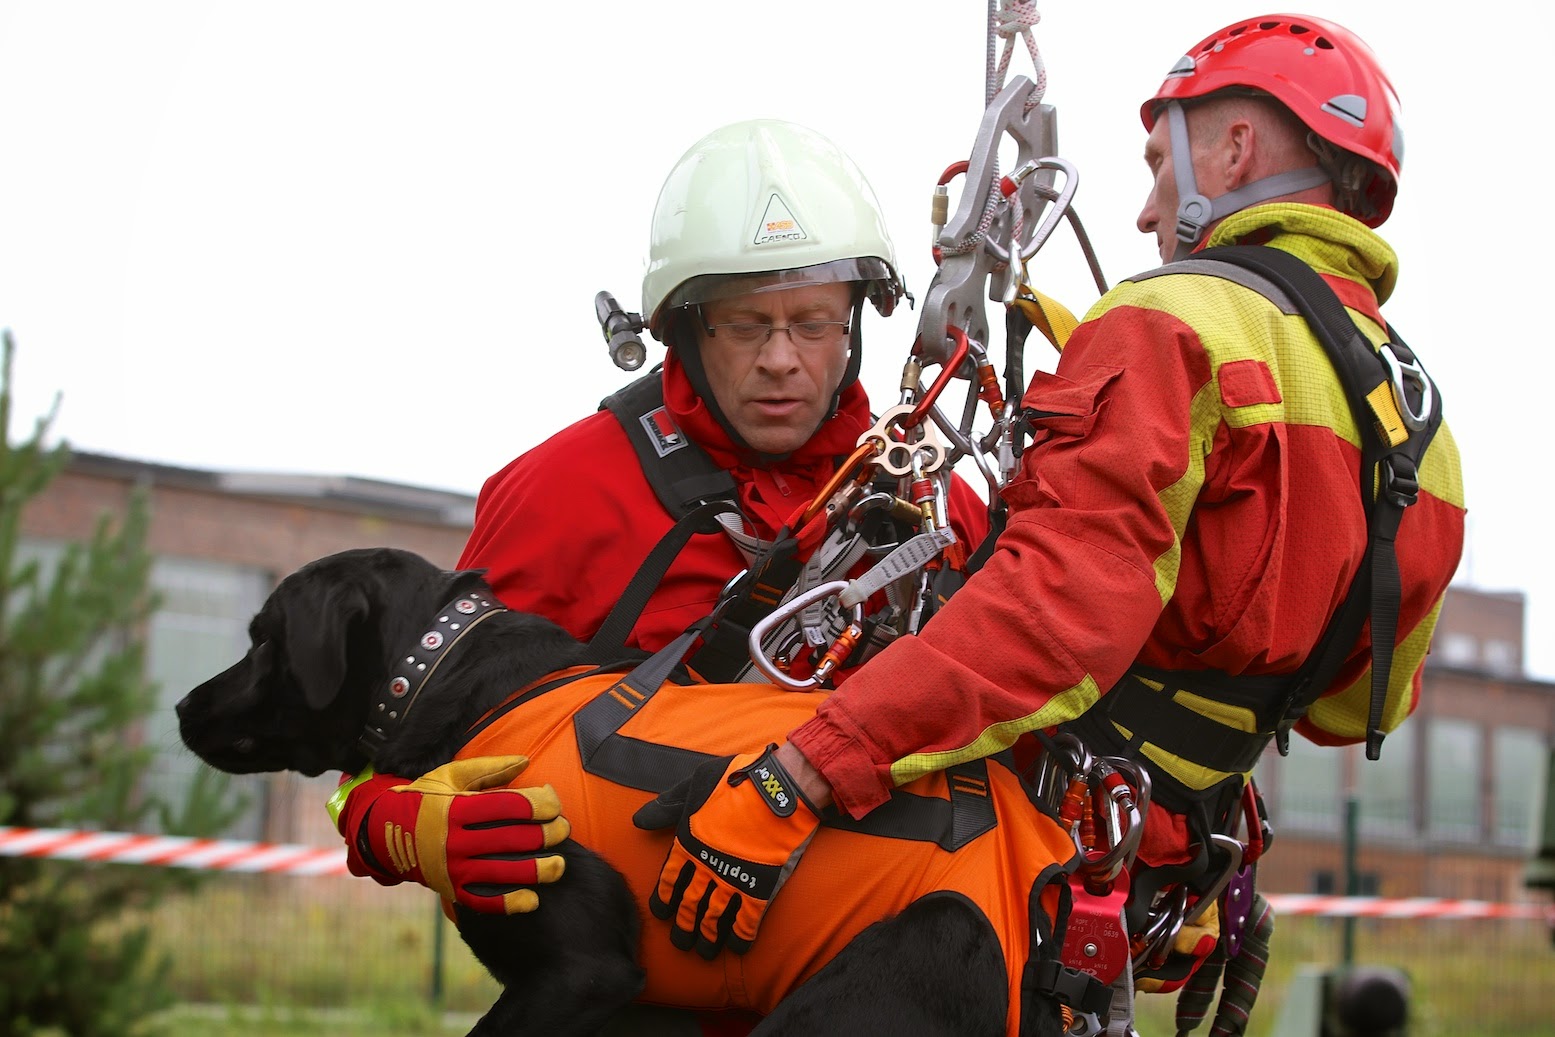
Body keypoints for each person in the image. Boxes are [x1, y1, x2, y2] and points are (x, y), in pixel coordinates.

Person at [630, 9, 1465, 1001]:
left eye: (1161, 161)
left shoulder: (1169, 325)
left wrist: (805, 771)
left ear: (1236, 147)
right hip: (1169, 862)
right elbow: (1349, 703)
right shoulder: (1418, 420)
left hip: (1024, 852)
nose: (1149, 212)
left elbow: (1053, 618)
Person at [327, 119, 989, 1033]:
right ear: (679, 324)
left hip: (879, 985)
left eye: (812, 322)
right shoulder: (561, 494)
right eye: (745, 323)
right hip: (635, 996)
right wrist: (393, 825)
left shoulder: (930, 508)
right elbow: (404, 731)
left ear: (858, 322)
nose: (781, 359)